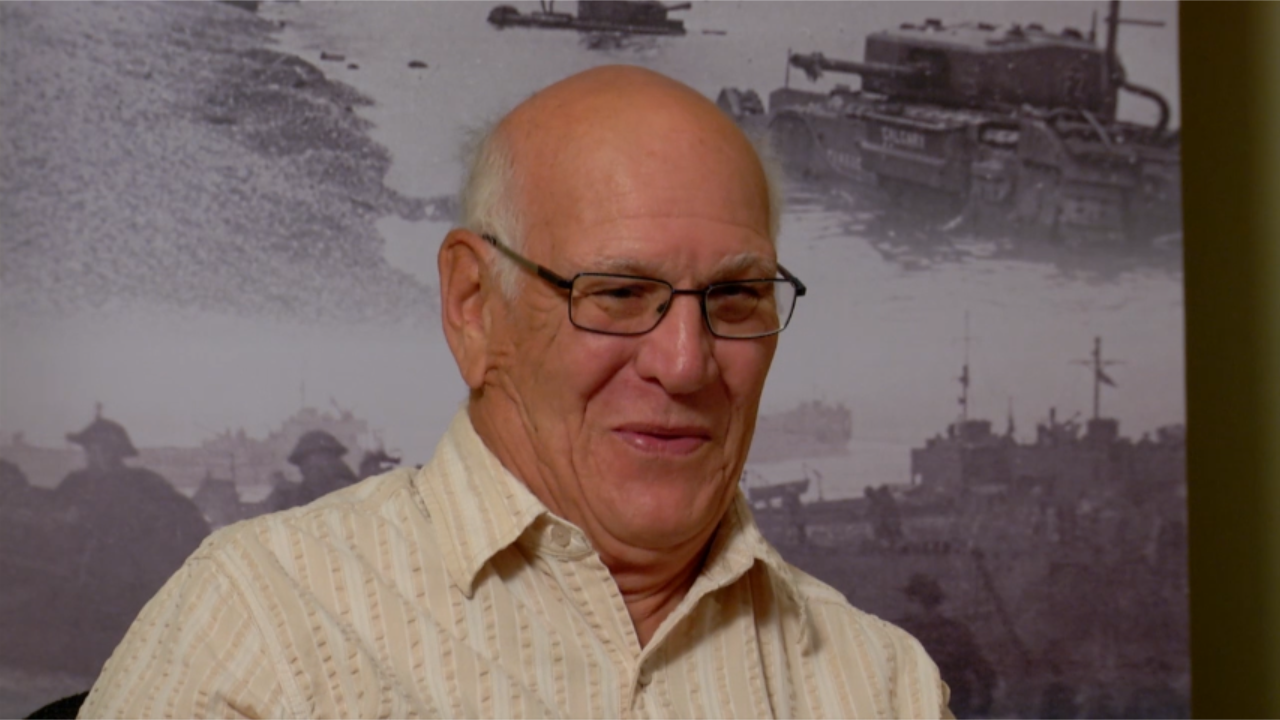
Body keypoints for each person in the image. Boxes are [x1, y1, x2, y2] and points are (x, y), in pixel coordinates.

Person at [82, 66, 952, 718]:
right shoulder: (259, 628)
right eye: (617, 293)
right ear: (474, 308)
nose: (686, 363)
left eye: (735, 297)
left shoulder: (884, 687)